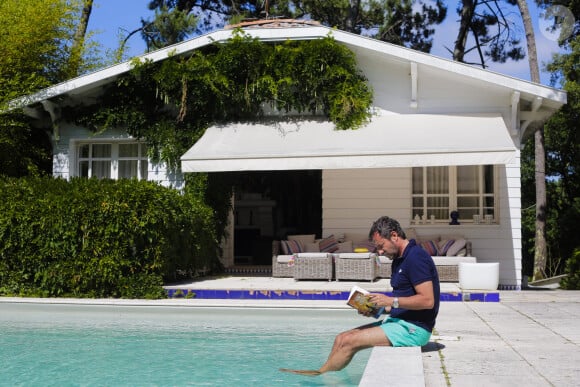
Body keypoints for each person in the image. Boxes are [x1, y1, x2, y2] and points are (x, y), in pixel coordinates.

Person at [280, 215, 440, 376]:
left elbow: (427, 301)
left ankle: (320, 376)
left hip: (414, 329)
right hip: (399, 322)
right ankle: (323, 374)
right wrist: (377, 309)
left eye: (381, 246)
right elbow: (403, 302)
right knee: (341, 338)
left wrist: (391, 300)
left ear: (394, 235)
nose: (380, 251)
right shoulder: (399, 259)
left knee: (349, 342)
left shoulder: (415, 257)